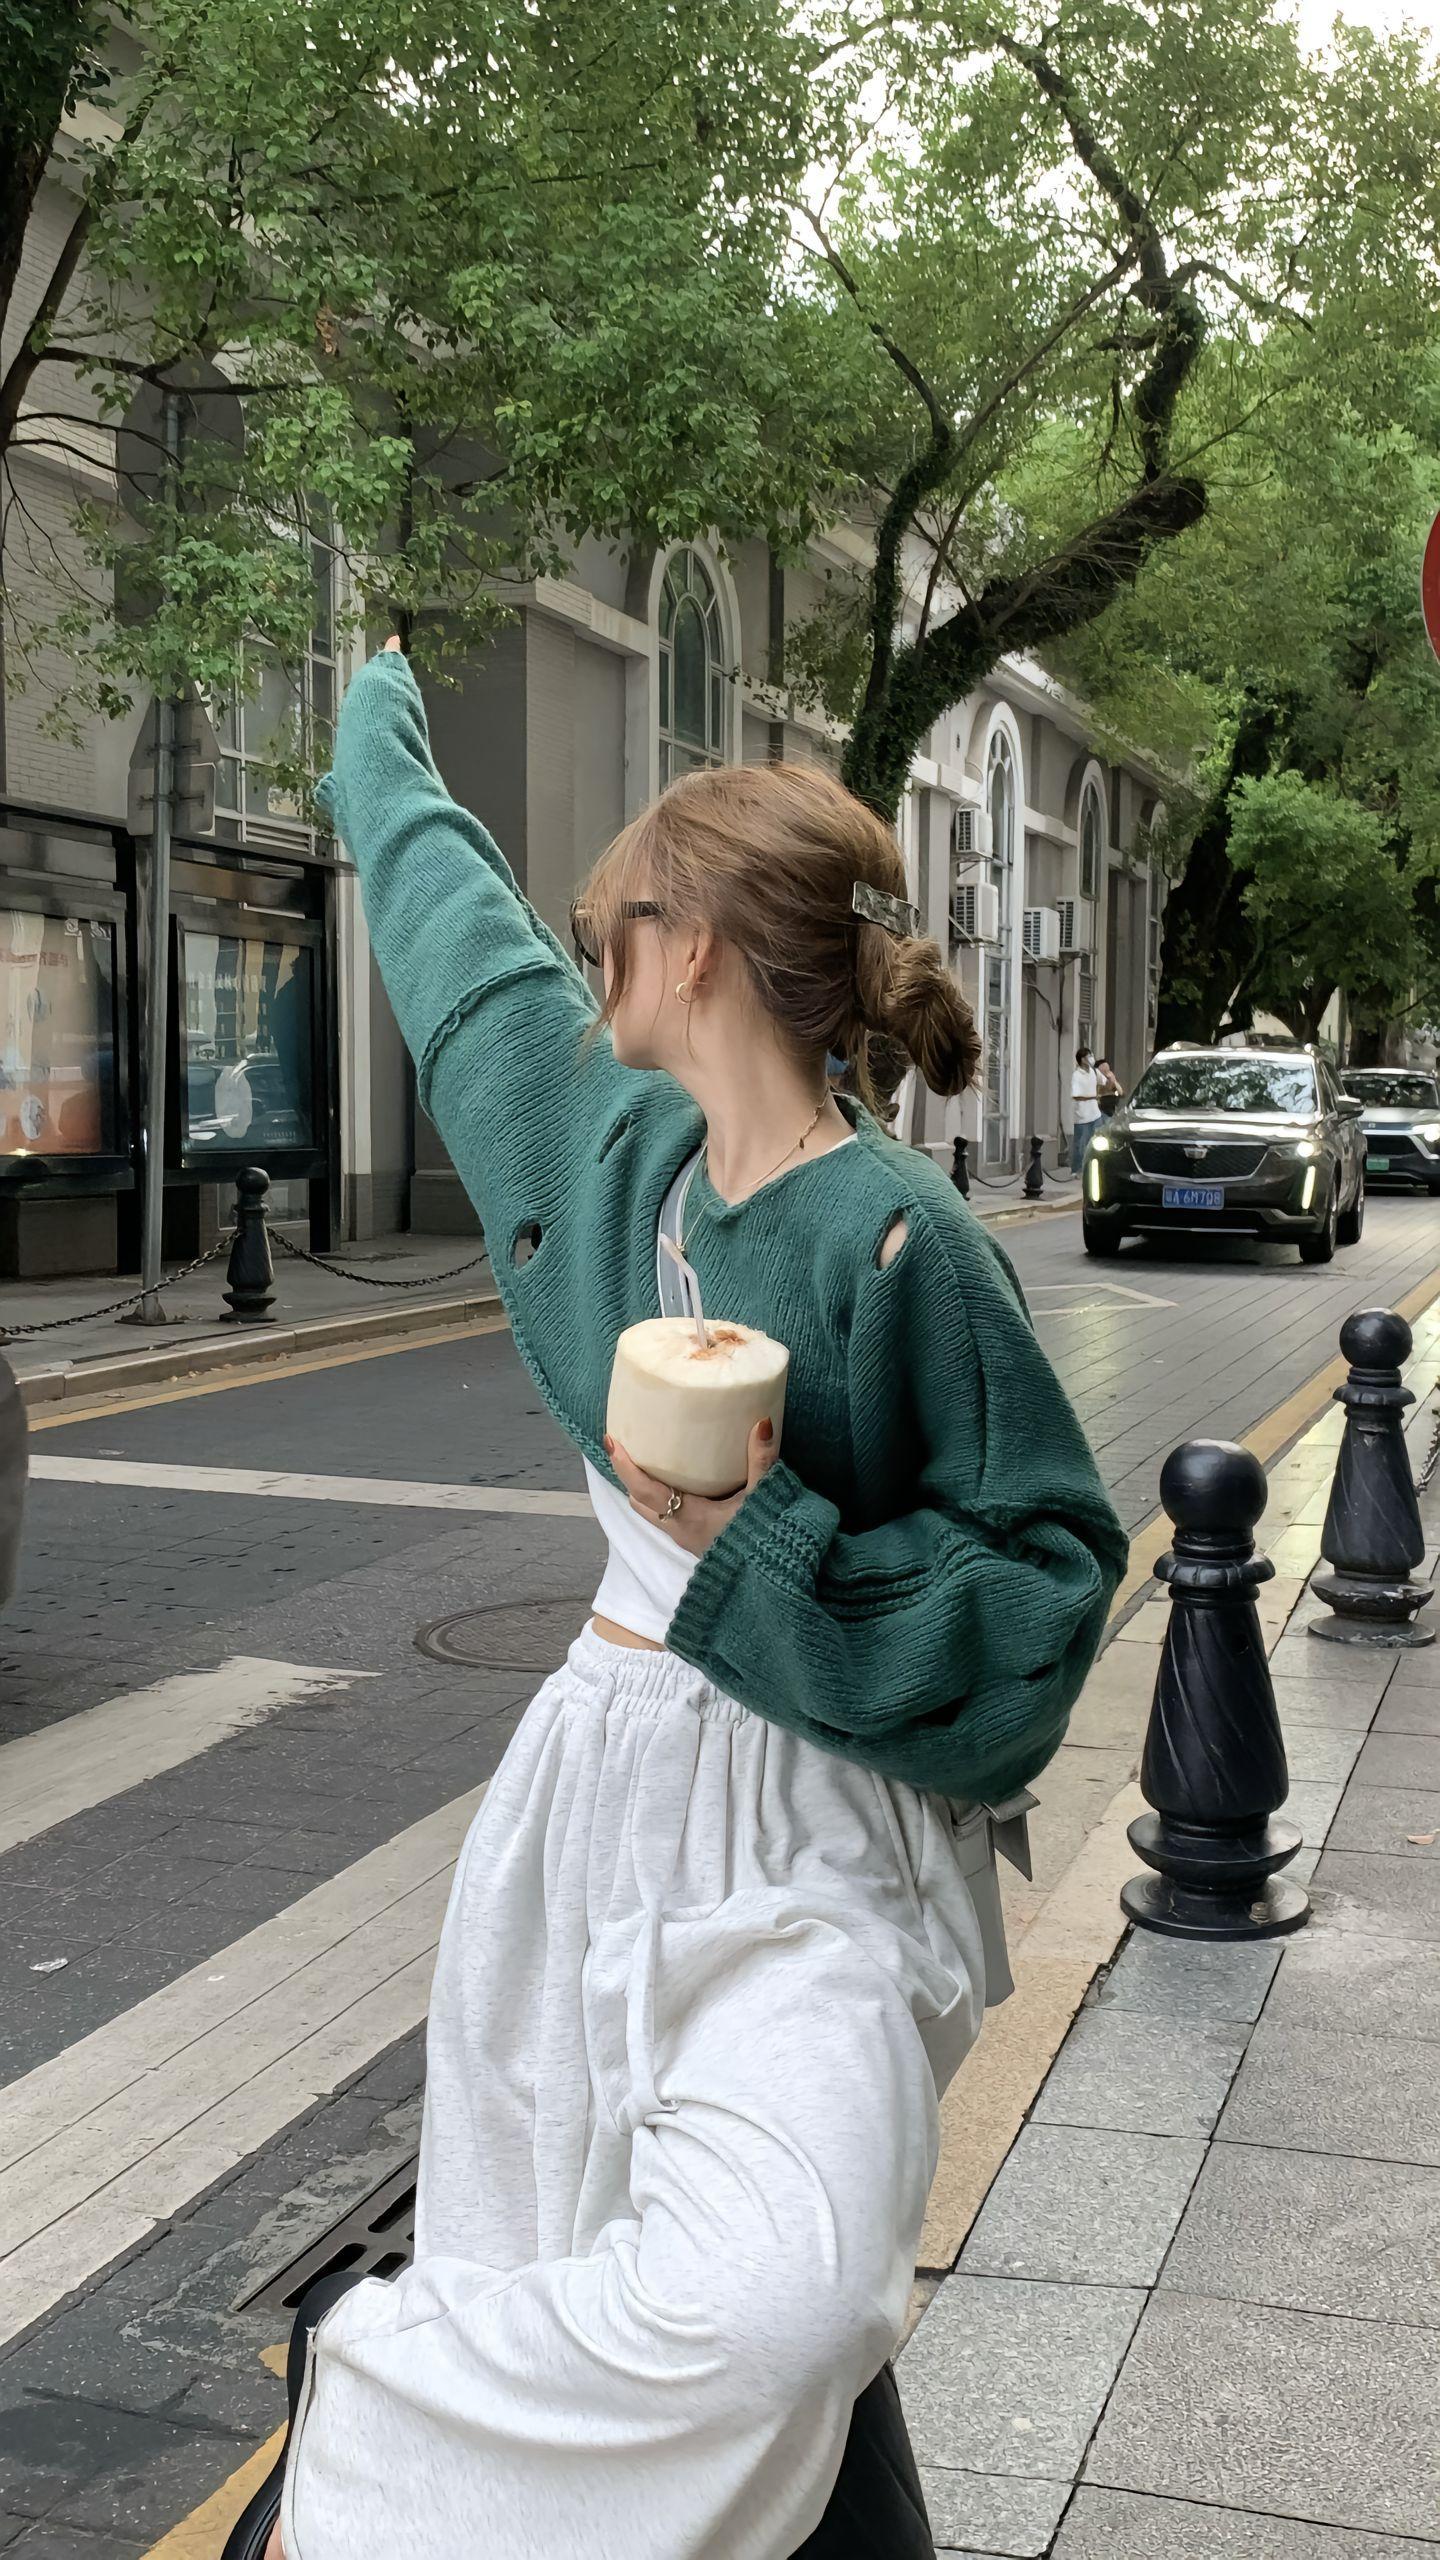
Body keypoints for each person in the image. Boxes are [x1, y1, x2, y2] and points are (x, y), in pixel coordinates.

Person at [269, 642, 1126, 2560]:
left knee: (778, 2304)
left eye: (618, 929)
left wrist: (761, 1547)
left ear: (706, 949)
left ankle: (373, 2412)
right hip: (589, 1803)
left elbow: (1048, 1589)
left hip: (810, 1837)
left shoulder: (903, 1240)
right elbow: (468, 958)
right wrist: (377, 735)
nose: (587, 960)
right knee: (551, 2245)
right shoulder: (614, 1158)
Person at [1070, 1044, 1102, 1169]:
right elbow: (1076, 1095)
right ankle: (1076, 1169)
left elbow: (1104, 1081)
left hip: (1095, 1114)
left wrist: (1112, 1080)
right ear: (1083, 1059)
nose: (1092, 1058)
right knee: (1080, 1144)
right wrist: (1093, 1097)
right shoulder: (1077, 1075)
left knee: (1096, 1142)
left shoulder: (1094, 1071)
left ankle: (1092, 1167)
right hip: (1082, 1116)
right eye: (1089, 1056)